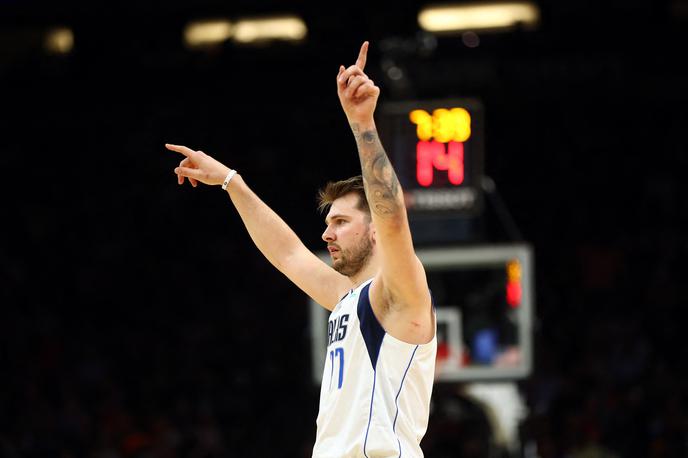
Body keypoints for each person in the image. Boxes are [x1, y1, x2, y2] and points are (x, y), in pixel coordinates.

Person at [166, 41, 437, 458]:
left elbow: (393, 214)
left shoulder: (400, 296)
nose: (327, 235)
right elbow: (289, 254)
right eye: (327, 224)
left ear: (375, 232)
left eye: (341, 222)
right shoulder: (350, 300)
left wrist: (362, 123)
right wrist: (231, 182)